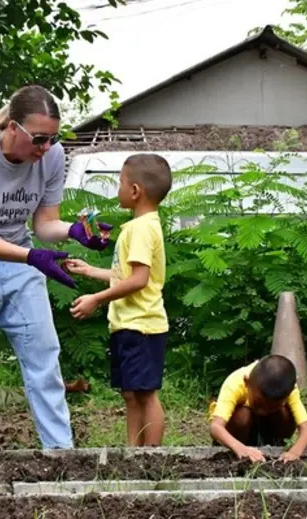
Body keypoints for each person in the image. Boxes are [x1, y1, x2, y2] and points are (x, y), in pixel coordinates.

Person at [0, 84, 112, 450]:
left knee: (44, 356)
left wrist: (74, 232)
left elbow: (45, 224)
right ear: (13, 128)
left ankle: (61, 452)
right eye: (38, 139)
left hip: (17, 255)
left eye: (52, 139)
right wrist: (32, 257)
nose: (45, 148)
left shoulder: (52, 156)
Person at [65, 153, 172, 447]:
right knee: (131, 393)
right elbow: (125, 275)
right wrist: (90, 270)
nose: (118, 189)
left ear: (135, 190)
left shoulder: (140, 229)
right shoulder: (140, 226)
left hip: (142, 325)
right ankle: (132, 452)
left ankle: (151, 455)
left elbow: (138, 280)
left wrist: (97, 299)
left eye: (121, 183)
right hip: (129, 324)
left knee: (145, 393)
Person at [209, 354, 307, 462]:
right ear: (247, 382)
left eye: (273, 407)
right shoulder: (235, 383)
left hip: (267, 428)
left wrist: (294, 453)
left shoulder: (289, 389)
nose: (262, 412)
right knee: (243, 415)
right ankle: (240, 446)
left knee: (286, 413)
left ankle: (274, 443)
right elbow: (216, 427)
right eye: (258, 403)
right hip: (238, 433)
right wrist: (241, 448)